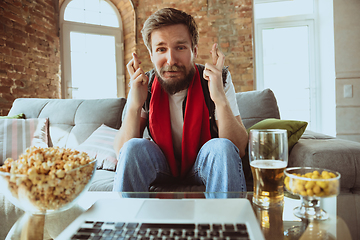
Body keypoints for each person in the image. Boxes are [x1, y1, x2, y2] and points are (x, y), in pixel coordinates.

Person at [113, 7, 248, 192]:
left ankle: (226, 221)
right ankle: (125, 220)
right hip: (162, 165)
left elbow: (239, 148)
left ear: (194, 50)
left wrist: (219, 99)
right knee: (133, 147)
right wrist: (134, 106)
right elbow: (121, 151)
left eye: (180, 47)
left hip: (204, 163)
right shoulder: (145, 83)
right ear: (151, 55)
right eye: (161, 49)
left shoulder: (217, 78)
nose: (171, 60)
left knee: (222, 147)